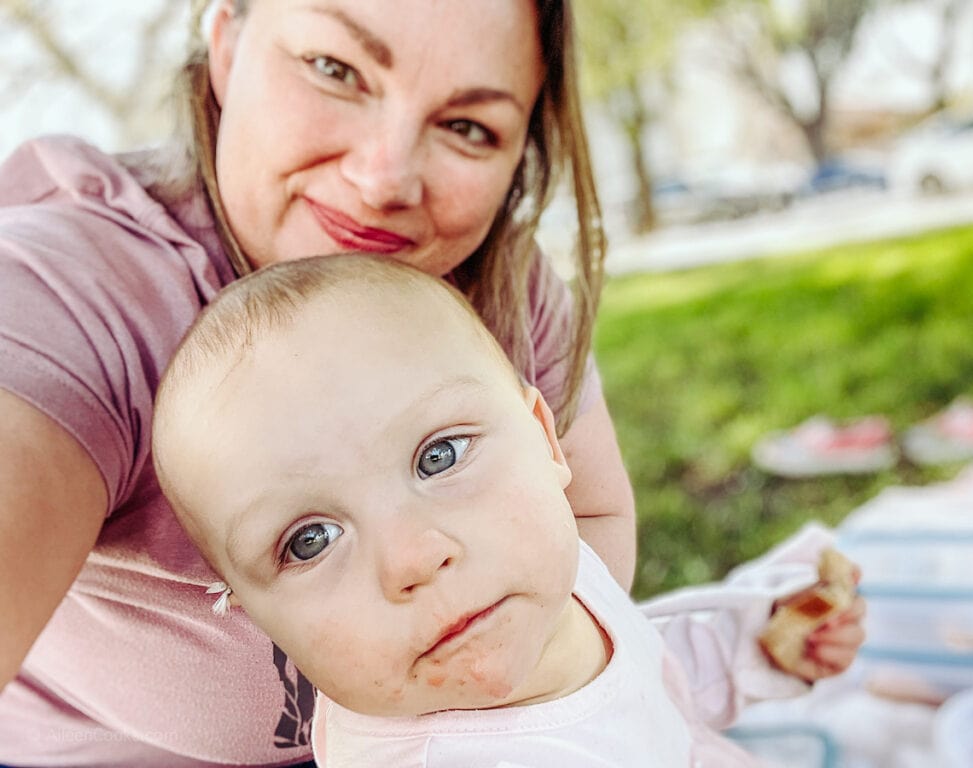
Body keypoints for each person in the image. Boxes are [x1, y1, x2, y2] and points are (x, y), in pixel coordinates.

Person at [0, 1, 636, 765]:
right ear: (227, 44)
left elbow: (592, 517)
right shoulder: (63, 302)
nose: (385, 178)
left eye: (469, 126)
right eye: (335, 71)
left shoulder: (500, 284)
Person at [151, 254, 867, 768]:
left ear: (544, 438)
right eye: (310, 540)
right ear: (251, 613)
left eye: (439, 457)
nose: (413, 558)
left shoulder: (555, 586)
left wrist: (755, 652)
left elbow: (643, 687)